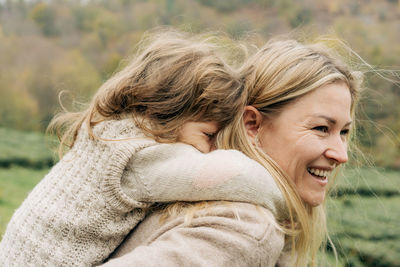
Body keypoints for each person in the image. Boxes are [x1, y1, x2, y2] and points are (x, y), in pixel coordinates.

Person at [0, 31, 287, 266]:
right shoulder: (137, 156)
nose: (209, 149)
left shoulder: (110, 135)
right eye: (208, 134)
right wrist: (287, 200)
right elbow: (231, 176)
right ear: (173, 113)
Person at [101, 38, 362, 267]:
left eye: (344, 132)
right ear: (253, 125)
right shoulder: (246, 230)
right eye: (321, 128)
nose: (341, 155)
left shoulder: (194, 196)